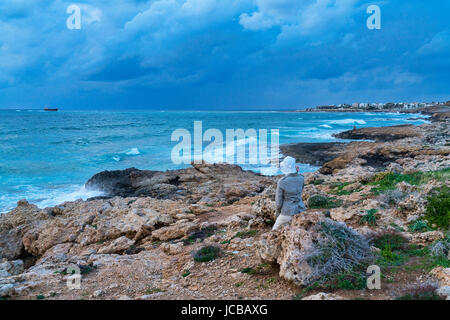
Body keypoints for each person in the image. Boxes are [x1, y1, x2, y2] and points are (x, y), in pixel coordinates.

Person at [272, 156, 306, 231]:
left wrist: (278, 214)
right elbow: (300, 192)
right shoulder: (301, 178)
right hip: (301, 210)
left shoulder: (282, 181)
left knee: (274, 231)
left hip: (287, 212)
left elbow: (278, 202)